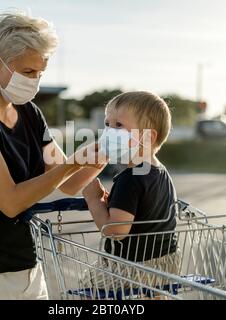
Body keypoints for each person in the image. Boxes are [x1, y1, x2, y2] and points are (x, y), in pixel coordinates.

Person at [0, 10, 104, 300]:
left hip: (28, 270)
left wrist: (104, 154)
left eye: (40, 73)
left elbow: (66, 181)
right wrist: (74, 162)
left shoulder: (30, 113)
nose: (35, 81)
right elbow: (10, 201)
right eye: (28, 72)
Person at [81, 91, 181, 294]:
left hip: (130, 269)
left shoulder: (131, 178)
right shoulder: (161, 173)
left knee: (86, 286)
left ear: (148, 137)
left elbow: (115, 231)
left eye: (119, 125)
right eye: (108, 124)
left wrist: (94, 200)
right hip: (165, 267)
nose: (109, 131)